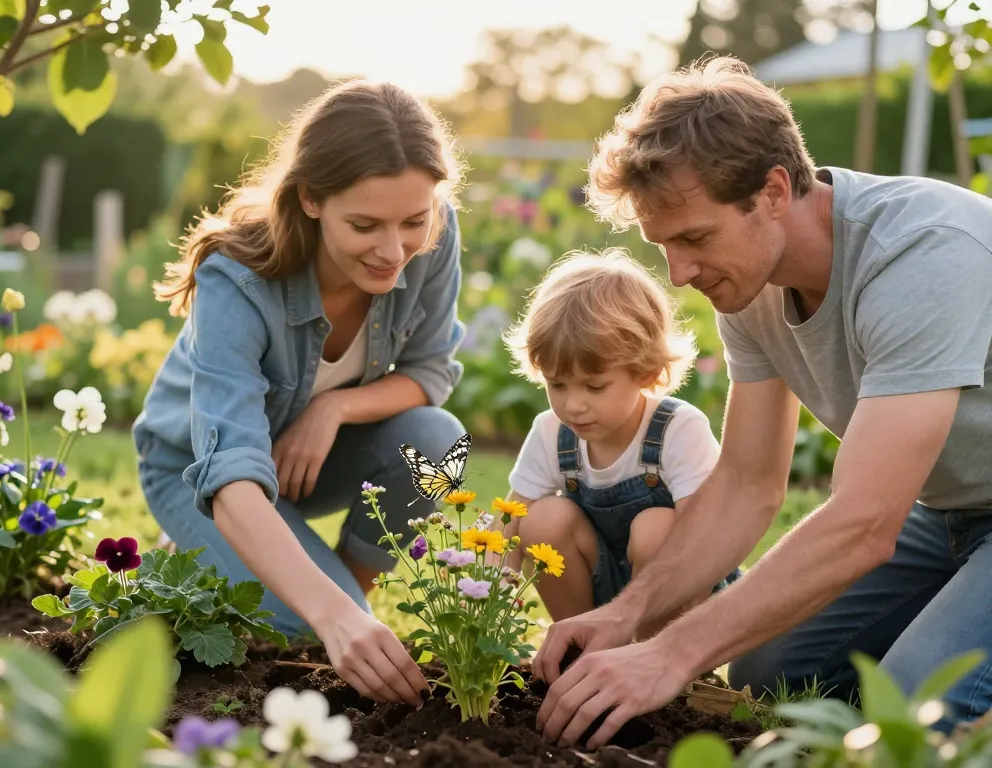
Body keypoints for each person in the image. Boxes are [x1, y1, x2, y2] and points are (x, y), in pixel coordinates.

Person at [530, 55, 992, 749]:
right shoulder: (751, 281)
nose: (680, 274)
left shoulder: (922, 255)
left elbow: (865, 522)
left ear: (773, 191)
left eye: (694, 238)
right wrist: (627, 617)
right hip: (955, 512)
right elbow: (747, 484)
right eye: (665, 247)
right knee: (768, 677)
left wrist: (671, 653)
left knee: (906, 717)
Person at [133, 80, 469, 710]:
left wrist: (332, 407)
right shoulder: (236, 279)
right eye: (365, 224)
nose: (394, 250)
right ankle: (185, 568)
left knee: (439, 442)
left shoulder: (433, 240)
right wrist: (331, 613)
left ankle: (337, 594)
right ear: (311, 198)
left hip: (314, 458)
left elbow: (431, 371)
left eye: (414, 221)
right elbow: (229, 469)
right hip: (196, 473)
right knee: (309, 623)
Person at [497, 248, 740, 628]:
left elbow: (702, 538)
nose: (573, 405)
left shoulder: (679, 429)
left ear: (646, 372)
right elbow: (508, 521)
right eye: (557, 384)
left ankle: (651, 657)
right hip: (598, 586)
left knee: (654, 528)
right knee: (541, 520)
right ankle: (577, 648)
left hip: (678, 594)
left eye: (594, 387)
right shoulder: (552, 432)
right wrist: (494, 585)